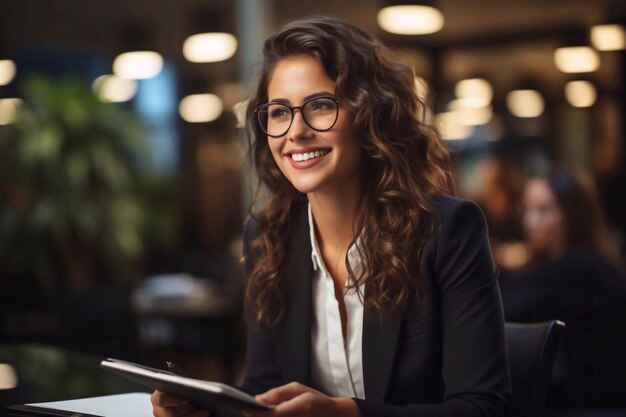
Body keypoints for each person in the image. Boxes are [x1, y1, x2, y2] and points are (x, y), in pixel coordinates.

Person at [152, 16, 511, 417]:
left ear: (369, 113)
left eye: (320, 106)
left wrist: (347, 414)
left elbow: (484, 408)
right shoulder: (268, 240)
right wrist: (207, 409)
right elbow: (265, 389)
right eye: (278, 112)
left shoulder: (447, 231)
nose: (296, 131)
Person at [500, 170, 626, 408]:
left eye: (544, 210)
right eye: (527, 209)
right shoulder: (578, 263)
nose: (530, 221)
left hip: (596, 404)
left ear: (574, 214)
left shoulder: (580, 268)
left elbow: (504, 305)